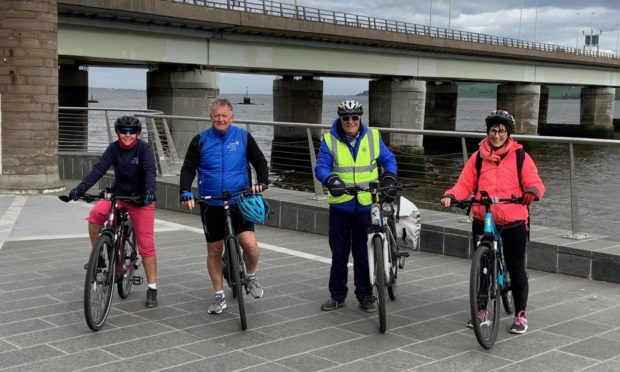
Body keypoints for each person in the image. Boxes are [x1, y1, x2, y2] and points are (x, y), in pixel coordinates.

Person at [440, 109, 545, 334]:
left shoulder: (520, 157)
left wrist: (531, 191)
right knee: (483, 267)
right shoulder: (478, 157)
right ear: (487, 132)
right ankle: (481, 310)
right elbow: (465, 184)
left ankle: (520, 313)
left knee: (516, 267)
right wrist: (451, 195)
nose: (496, 135)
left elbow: (534, 181)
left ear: (508, 134)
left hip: (513, 217)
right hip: (483, 215)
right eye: (492, 130)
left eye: (501, 131)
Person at [179, 98, 269, 315]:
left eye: (224, 116)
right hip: (211, 202)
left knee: (250, 245)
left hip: (240, 199)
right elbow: (188, 168)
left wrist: (262, 182)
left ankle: (251, 276)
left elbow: (260, 161)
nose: (220, 119)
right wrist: (185, 191)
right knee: (214, 250)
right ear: (211, 117)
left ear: (232, 117)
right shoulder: (200, 140)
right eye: (216, 116)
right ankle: (219, 295)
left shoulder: (243, 137)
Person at [314, 99, 398, 313]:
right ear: (340, 119)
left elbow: (389, 160)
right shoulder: (329, 139)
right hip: (341, 205)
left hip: (367, 203)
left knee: (364, 252)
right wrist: (331, 180)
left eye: (355, 117)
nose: (350, 121)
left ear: (360, 118)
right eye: (346, 118)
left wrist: (389, 177)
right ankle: (337, 296)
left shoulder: (373, 137)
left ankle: (366, 296)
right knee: (339, 253)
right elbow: (321, 167)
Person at [69, 115, 159, 308]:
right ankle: (99, 257)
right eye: (123, 132)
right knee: (95, 216)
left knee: (146, 245)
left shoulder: (144, 149)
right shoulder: (113, 148)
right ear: (118, 133)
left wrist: (150, 192)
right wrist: (81, 188)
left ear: (138, 133)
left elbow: (150, 170)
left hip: (140, 199)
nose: (127, 136)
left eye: (131, 132)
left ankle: (152, 288)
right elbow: (99, 169)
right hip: (118, 196)